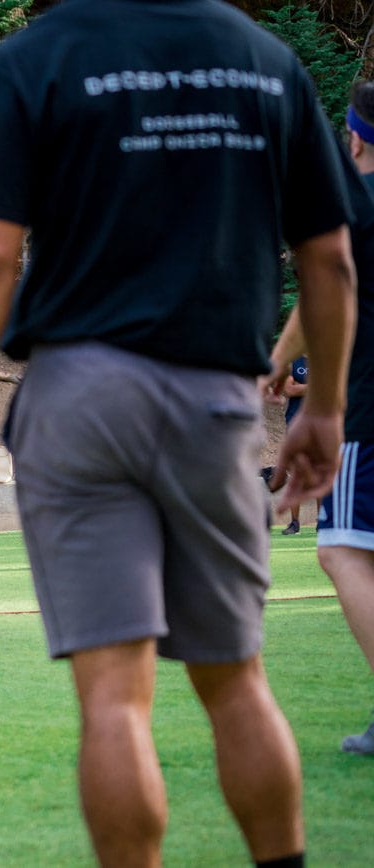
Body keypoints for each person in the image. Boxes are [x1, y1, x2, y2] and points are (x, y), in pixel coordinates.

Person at [0, 3, 356, 863]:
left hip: (80, 398)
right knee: (236, 681)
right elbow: (331, 259)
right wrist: (327, 408)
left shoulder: (33, 59)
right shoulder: (266, 62)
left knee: (115, 699)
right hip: (217, 403)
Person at [285, 81, 374, 757]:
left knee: (340, 548)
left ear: (354, 138)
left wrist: (276, 360)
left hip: (368, 412)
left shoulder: (356, 207)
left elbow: (323, 283)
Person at [278, 356, 309, 534]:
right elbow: (289, 389)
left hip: (320, 423)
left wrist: (301, 387)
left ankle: (322, 522)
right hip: (295, 422)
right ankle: (295, 523)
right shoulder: (293, 362)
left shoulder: (325, 359)